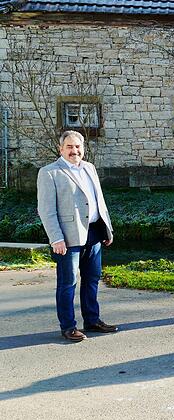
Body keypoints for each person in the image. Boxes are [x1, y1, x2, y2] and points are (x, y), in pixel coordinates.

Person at [37, 130, 117, 342]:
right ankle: (68, 327)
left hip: (93, 233)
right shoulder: (49, 173)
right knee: (68, 282)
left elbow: (98, 201)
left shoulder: (89, 168)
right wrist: (56, 238)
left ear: (83, 148)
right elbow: (46, 210)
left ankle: (92, 320)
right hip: (68, 236)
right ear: (61, 149)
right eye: (70, 147)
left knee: (92, 279)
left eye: (78, 146)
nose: (75, 151)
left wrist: (106, 228)